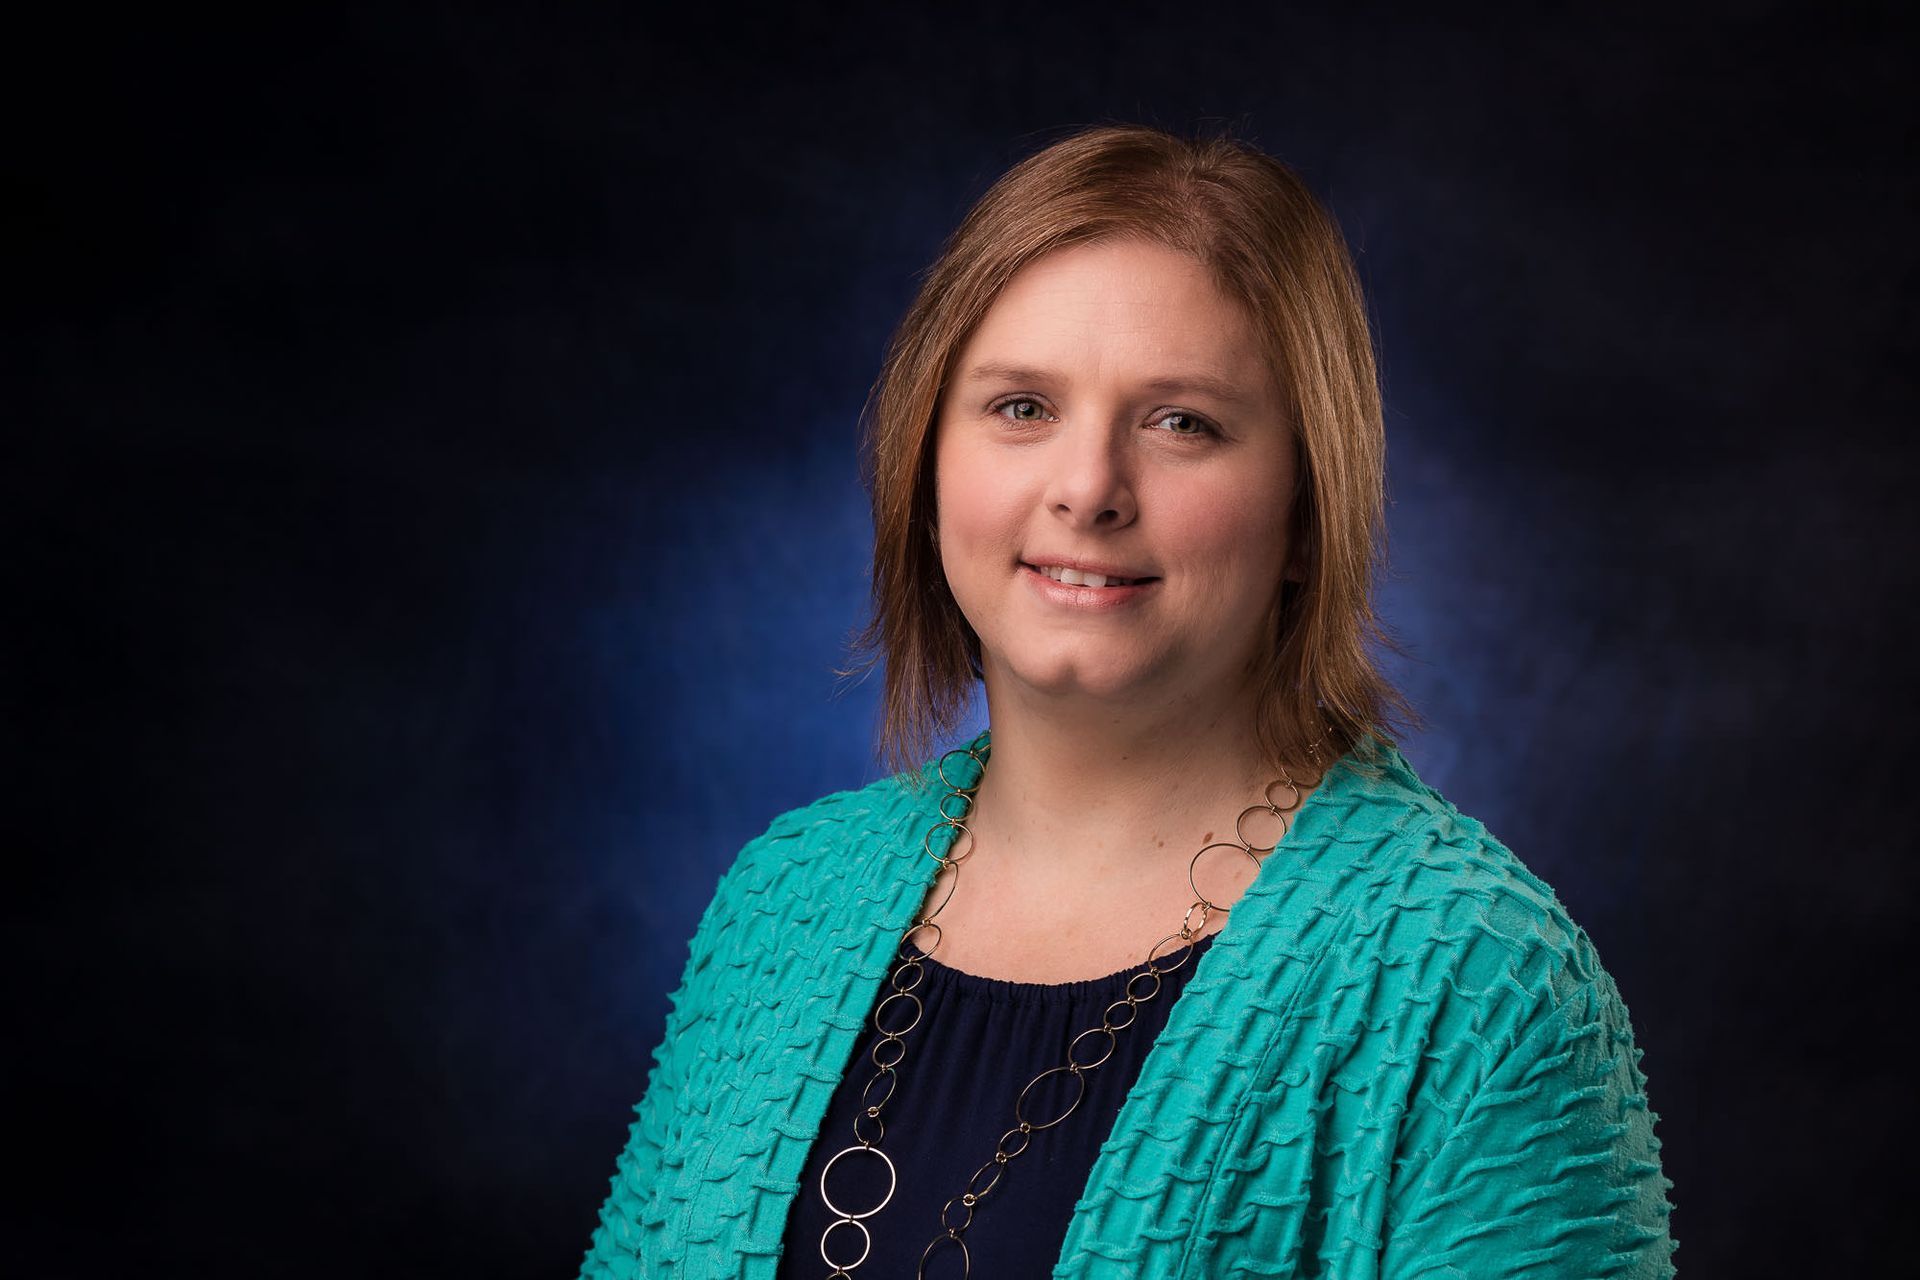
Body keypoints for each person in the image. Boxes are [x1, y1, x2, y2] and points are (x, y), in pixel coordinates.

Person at [578, 124, 1678, 1279]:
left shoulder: (1481, 983)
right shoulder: (783, 898)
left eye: (1181, 422)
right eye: (1021, 407)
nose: (1088, 487)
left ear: (1307, 509)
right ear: (927, 457)